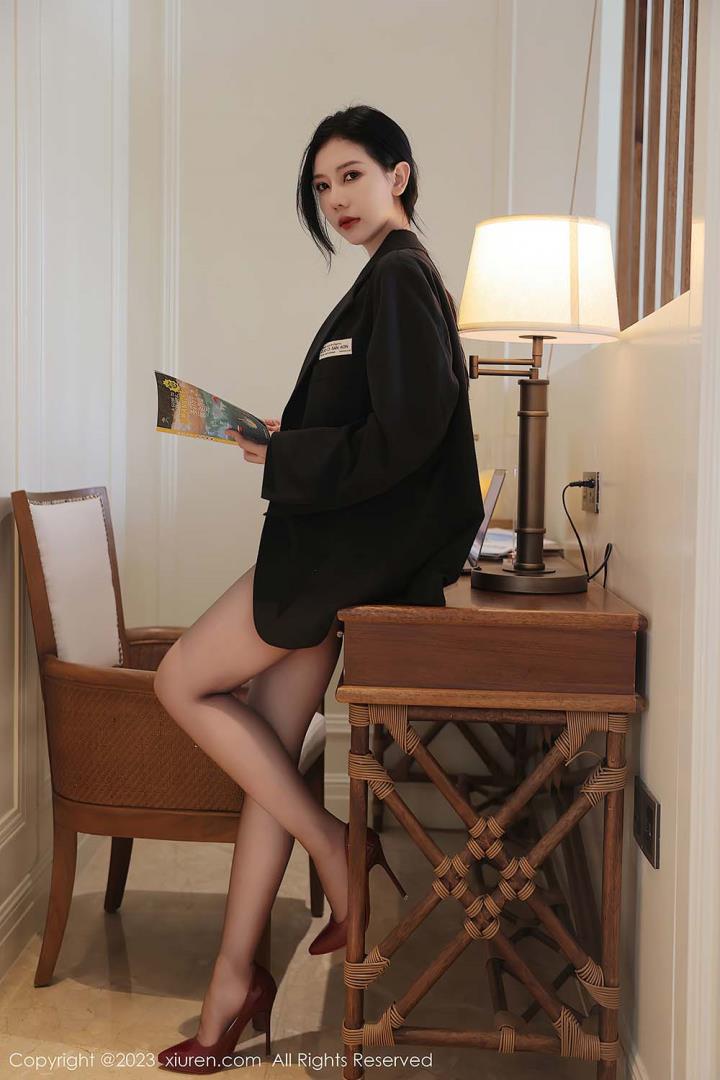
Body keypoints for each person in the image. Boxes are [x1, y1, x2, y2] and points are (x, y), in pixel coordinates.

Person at [154, 104, 484, 1073]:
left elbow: (411, 434)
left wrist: (290, 456)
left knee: (180, 680)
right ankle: (233, 985)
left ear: (399, 175)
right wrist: (284, 440)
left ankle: (339, 852)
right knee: (269, 748)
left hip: (340, 558)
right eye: (322, 185)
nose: (336, 198)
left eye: (351, 176)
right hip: (339, 550)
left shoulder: (401, 278)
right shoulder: (386, 281)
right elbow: (383, 423)